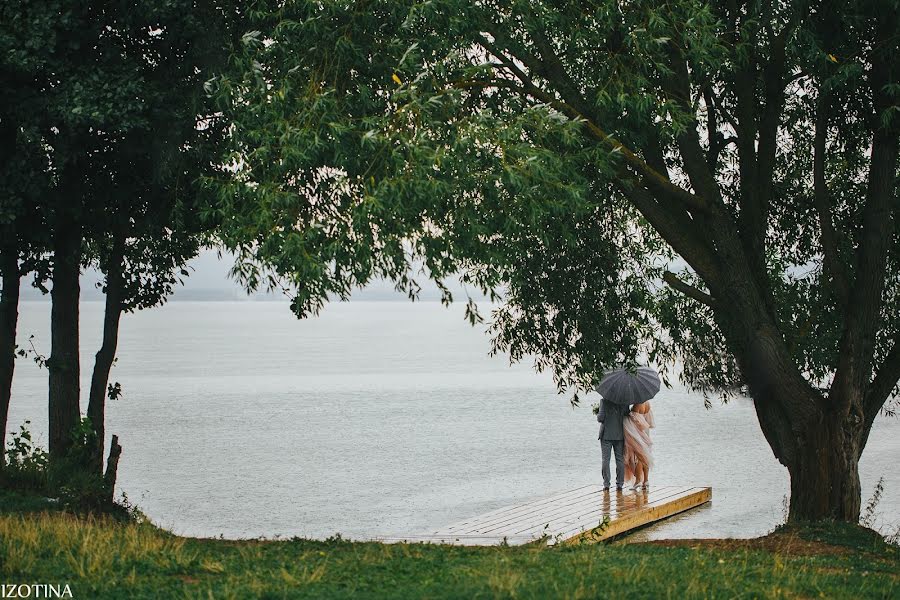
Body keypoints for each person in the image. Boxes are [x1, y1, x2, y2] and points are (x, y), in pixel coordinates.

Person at [596, 398, 630, 491]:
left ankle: (606, 484)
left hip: (606, 435)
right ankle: (619, 484)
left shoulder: (604, 401)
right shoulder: (624, 401)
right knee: (620, 460)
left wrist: (598, 414)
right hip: (619, 435)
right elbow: (627, 414)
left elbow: (600, 418)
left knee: (605, 459)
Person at [623, 401, 654, 490]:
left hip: (638, 432)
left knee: (639, 456)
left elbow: (635, 420)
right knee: (645, 456)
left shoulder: (638, 404)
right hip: (645, 431)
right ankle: (646, 481)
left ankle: (638, 481)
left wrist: (628, 414)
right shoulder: (648, 403)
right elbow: (648, 421)